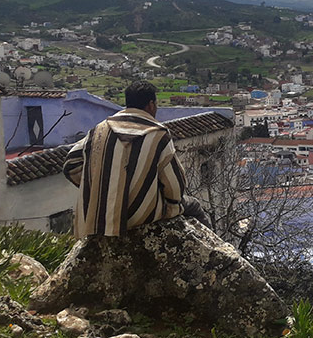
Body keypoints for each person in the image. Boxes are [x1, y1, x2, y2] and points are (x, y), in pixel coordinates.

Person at [63, 80, 209, 237]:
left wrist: (98, 188)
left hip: (99, 217)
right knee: (193, 206)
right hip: (140, 217)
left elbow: (71, 166)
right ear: (151, 105)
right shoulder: (157, 134)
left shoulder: (99, 130)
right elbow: (175, 187)